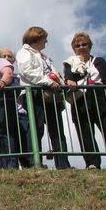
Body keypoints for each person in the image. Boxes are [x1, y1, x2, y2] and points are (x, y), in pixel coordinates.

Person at [63, 32, 106, 169]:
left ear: (90, 46)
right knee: (85, 132)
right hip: (81, 99)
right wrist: (69, 81)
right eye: (77, 45)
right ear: (74, 48)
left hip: (101, 98)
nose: (81, 47)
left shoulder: (98, 61)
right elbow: (68, 77)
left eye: (84, 44)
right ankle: (92, 163)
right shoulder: (70, 62)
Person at [16, 26, 72, 170]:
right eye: (44, 38)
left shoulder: (44, 56)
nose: (46, 42)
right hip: (35, 93)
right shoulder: (24, 52)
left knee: (57, 130)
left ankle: (63, 164)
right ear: (37, 37)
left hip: (51, 94)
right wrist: (48, 81)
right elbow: (27, 71)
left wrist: (58, 82)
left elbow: (53, 72)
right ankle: (34, 163)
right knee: (36, 128)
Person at [0, 47, 35, 169]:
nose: (6, 59)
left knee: (26, 139)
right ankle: (13, 166)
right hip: (6, 112)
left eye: (9, 56)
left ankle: (29, 164)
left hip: (21, 112)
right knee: (11, 139)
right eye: (3, 56)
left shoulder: (20, 76)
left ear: (14, 59)